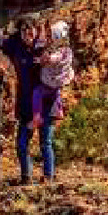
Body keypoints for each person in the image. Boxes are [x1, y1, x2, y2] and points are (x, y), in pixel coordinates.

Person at [0, 14, 49, 183]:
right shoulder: (15, 47)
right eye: (24, 29)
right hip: (25, 103)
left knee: (46, 142)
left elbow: (62, 58)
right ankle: (26, 177)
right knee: (22, 143)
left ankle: (48, 176)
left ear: (36, 30)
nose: (28, 32)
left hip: (45, 103)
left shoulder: (44, 47)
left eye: (31, 28)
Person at [31, 20, 75, 170]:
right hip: (56, 85)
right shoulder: (66, 50)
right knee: (46, 142)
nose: (49, 37)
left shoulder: (62, 51)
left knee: (38, 93)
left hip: (50, 84)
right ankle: (48, 174)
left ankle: (37, 116)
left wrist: (42, 59)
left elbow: (53, 59)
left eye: (52, 35)